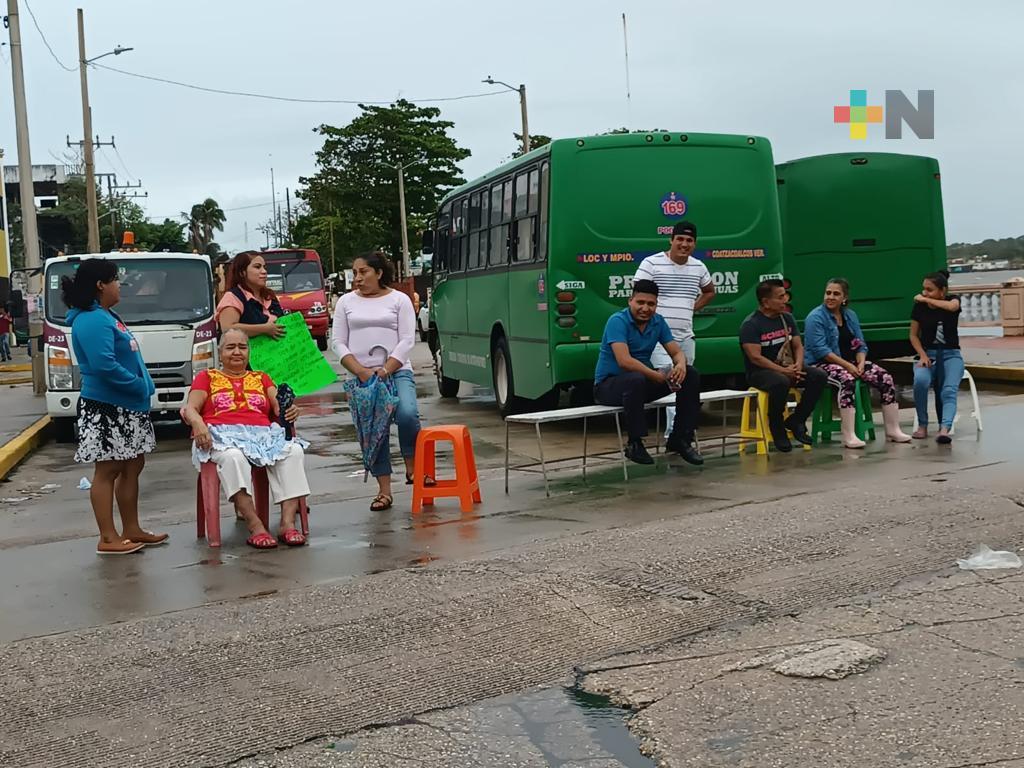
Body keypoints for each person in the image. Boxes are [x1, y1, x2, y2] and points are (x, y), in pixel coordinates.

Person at [61, 258, 166, 555]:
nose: (120, 286)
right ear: (100, 285)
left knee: (133, 464)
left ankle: (131, 528)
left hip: (128, 405)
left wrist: (141, 388)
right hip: (107, 406)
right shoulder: (91, 320)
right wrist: (138, 385)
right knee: (108, 469)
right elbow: (104, 365)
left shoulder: (107, 315)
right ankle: (108, 538)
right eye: (116, 280)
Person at [182, 329, 310, 548]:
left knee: (294, 452)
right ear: (220, 352)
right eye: (230, 347)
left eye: (242, 347)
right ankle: (256, 526)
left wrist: (290, 410)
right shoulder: (207, 377)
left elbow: (278, 407)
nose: (237, 352)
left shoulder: (261, 378)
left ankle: (287, 524)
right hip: (221, 436)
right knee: (233, 458)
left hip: (262, 436)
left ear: (249, 352)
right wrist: (198, 422)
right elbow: (190, 408)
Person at [332, 251, 427, 511]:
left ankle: (412, 467)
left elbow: (407, 339)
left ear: (379, 273)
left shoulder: (399, 300)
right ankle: (384, 491)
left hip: (396, 370)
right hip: (362, 376)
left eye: (363, 272)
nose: (358, 278)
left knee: (407, 413)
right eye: (355, 273)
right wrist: (360, 370)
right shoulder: (345, 302)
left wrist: (386, 369)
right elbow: (338, 341)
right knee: (375, 431)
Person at [594, 279, 703, 466]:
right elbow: (624, 361)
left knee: (691, 375)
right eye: (640, 303)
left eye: (651, 304)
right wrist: (654, 375)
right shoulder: (617, 321)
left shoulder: (658, 322)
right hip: (608, 386)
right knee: (635, 379)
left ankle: (680, 438)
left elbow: (676, 352)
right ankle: (635, 443)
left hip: (640, 383)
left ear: (656, 305)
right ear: (630, 301)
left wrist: (680, 365)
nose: (645, 308)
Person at [804, 278, 911, 447]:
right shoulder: (815, 318)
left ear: (844, 298)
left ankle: (893, 430)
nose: (830, 297)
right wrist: (848, 366)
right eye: (828, 293)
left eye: (836, 294)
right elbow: (821, 351)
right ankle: (849, 435)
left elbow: (860, 344)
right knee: (847, 379)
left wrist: (860, 363)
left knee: (885, 378)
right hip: (820, 364)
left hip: (852, 362)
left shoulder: (850, 315)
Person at [633, 220, 715, 438]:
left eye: (689, 240)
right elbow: (637, 296)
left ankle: (683, 434)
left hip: (686, 337)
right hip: (658, 338)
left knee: (687, 385)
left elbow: (709, 291)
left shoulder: (699, 267)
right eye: (680, 239)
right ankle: (673, 436)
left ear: (695, 244)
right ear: (671, 240)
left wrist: (691, 307)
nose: (684, 244)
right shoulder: (651, 264)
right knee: (673, 382)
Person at [739, 279, 826, 452]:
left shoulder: (786, 318)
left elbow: (798, 345)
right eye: (780, 297)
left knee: (819, 376)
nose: (785, 300)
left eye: (785, 295)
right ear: (766, 302)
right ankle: (777, 427)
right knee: (780, 382)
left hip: (788, 367)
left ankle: (797, 420)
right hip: (761, 372)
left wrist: (798, 365)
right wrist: (784, 371)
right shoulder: (751, 325)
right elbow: (755, 358)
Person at [910, 269, 963, 444]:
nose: (925, 292)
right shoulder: (919, 308)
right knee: (920, 382)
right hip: (928, 354)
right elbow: (913, 335)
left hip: (951, 355)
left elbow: (952, 307)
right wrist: (923, 355)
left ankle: (944, 429)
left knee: (949, 390)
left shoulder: (952, 300)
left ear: (943, 291)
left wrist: (926, 299)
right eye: (924, 289)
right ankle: (922, 425)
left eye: (930, 289)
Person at [215, 251, 286, 340]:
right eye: (257, 267)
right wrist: (265, 329)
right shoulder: (233, 297)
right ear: (242, 272)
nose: (264, 271)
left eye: (265, 267)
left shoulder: (269, 296)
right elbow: (227, 328)